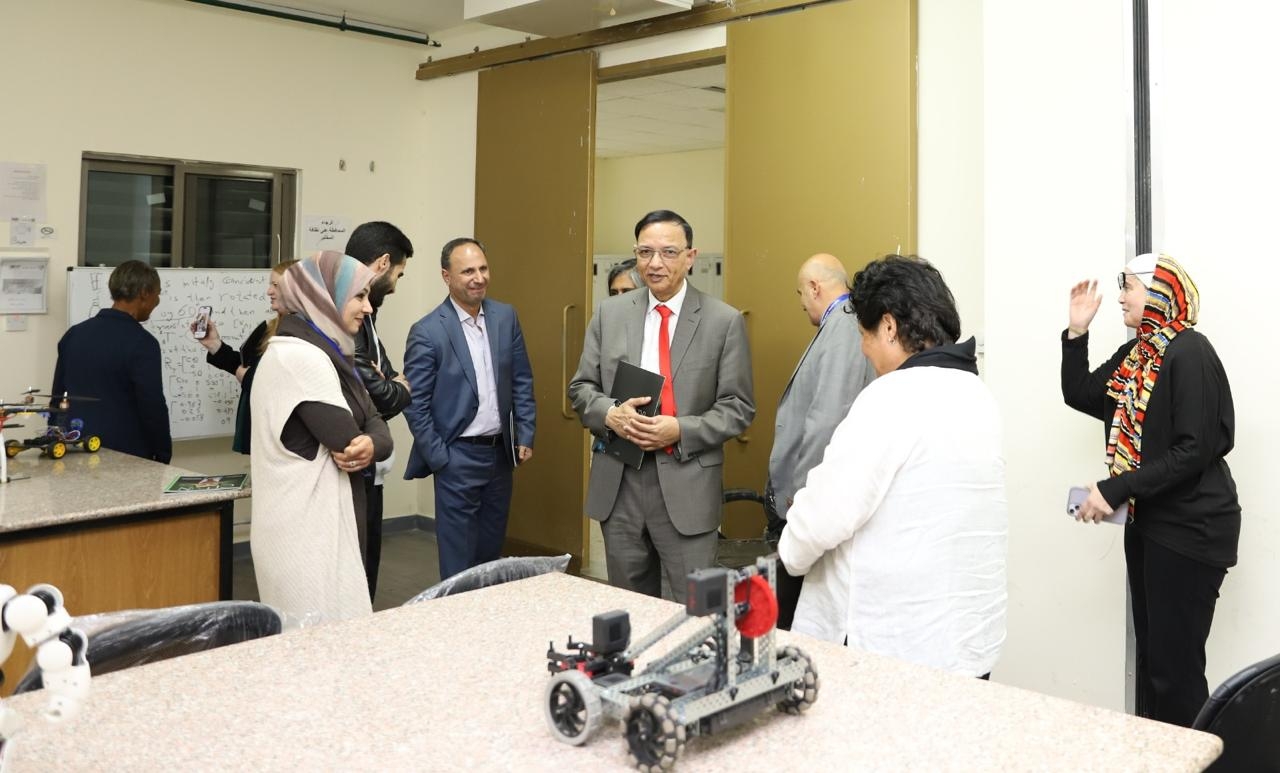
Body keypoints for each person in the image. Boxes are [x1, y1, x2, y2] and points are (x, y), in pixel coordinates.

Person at [778, 255, 1006, 678]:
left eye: (863, 336)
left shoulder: (891, 398)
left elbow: (822, 520)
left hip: (892, 645)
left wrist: (787, 554)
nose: (864, 350)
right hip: (966, 640)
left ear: (887, 326)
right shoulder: (977, 394)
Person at [1062, 253, 1240, 727]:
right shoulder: (1137, 357)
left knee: (1175, 674)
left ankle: (1196, 757)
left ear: (1160, 291)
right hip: (1150, 526)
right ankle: (1162, 755)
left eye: (1129, 286)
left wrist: (1115, 487)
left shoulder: (1190, 351)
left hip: (1191, 531)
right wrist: (1076, 333)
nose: (1120, 296)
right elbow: (1081, 393)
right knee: (1156, 666)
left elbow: (1193, 449)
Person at [569, 210, 755, 603]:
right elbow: (582, 388)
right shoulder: (609, 313)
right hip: (620, 483)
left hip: (687, 483)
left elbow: (738, 407)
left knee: (696, 608)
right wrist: (610, 414)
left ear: (690, 257)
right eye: (645, 252)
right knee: (628, 606)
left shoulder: (723, 321)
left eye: (669, 252)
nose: (655, 263)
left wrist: (680, 429)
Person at [249, 251, 393, 626]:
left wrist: (374, 440)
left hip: (309, 530)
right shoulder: (302, 358)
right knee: (319, 648)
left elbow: (375, 423)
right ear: (325, 297)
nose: (368, 308)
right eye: (359, 296)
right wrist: (373, 438)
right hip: (306, 538)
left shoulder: (326, 353)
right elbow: (349, 439)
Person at [402, 238, 536, 580]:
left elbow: (521, 378)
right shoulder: (428, 332)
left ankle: (485, 613)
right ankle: (456, 614)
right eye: (468, 272)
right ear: (446, 276)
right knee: (458, 561)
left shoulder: (505, 317)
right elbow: (415, 404)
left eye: (483, 268)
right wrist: (440, 457)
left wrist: (525, 433)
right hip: (456, 457)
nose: (479, 278)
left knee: (490, 556)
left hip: (500, 456)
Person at [767, 253, 876, 629]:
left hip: (811, 501)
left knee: (796, 612)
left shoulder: (844, 326)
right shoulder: (839, 325)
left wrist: (803, 493)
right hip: (811, 498)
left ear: (814, 288)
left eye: (801, 293)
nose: (801, 303)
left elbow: (827, 420)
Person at [345, 221, 414, 599]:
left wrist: (392, 384)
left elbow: (386, 377)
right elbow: (388, 393)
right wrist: (396, 386)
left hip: (370, 454)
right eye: (398, 275)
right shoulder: (346, 312)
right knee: (357, 563)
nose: (396, 286)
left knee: (368, 556)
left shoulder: (368, 313)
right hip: (353, 454)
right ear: (383, 263)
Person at [50, 260, 171, 463]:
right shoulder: (142, 343)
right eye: (157, 294)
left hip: (74, 447)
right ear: (144, 293)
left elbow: (57, 398)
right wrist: (163, 454)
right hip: (126, 454)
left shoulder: (74, 335)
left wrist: (54, 439)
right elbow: (152, 405)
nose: (157, 302)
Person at [191, 259, 298, 454]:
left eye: (275, 285)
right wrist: (214, 344)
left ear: (296, 290)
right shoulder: (267, 328)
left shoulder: (302, 336)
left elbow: (276, 384)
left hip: (283, 438)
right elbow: (243, 366)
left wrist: (247, 377)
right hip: (260, 433)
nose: (269, 291)